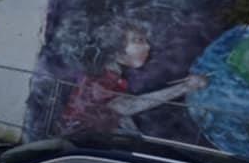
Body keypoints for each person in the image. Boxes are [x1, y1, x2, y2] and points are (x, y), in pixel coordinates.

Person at [59, 20, 208, 135]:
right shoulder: (102, 79)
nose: (148, 47)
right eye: (138, 41)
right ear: (115, 47)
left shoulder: (111, 73)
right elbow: (128, 106)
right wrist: (185, 87)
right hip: (82, 143)